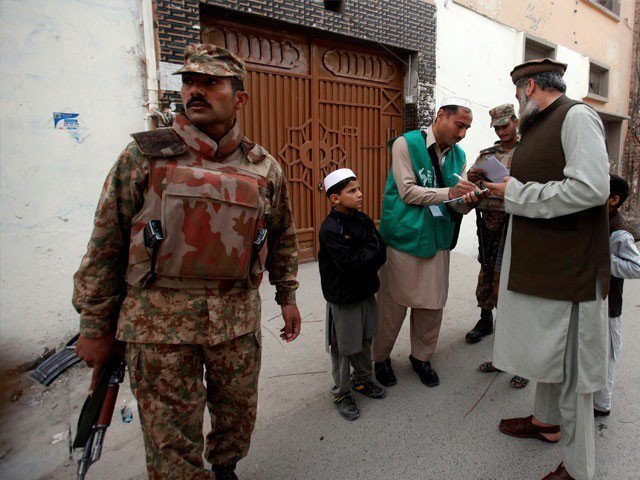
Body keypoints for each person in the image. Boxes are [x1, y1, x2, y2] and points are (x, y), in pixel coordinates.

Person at [73, 44, 301, 480]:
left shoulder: (264, 167)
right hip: (158, 327)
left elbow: (282, 236)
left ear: (239, 98)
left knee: (237, 418)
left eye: (210, 82)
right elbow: (105, 244)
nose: (195, 90)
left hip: (235, 323)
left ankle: (226, 467)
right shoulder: (144, 156)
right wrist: (94, 327)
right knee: (170, 439)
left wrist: (287, 295)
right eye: (188, 81)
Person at [485, 58, 610, 480]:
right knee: (548, 355)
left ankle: (579, 470)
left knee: (574, 374)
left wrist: (516, 192)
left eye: (519, 94)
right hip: (543, 265)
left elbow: (592, 188)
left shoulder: (577, 117)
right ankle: (546, 423)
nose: (518, 104)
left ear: (531, 86)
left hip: (570, 271)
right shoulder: (540, 124)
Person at [372, 97, 485, 388]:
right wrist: (450, 193)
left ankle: (421, 357)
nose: (462, 134)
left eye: (468, 128)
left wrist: (467, 201)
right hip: (404, 236)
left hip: (437, 237)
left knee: (432, 304)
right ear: (440, 117)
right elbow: (408, 192)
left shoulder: (459, 156)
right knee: (391, 305)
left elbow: (454, 203)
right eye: (460, 125)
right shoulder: (405, 144)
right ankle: (380, 358)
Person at [465, 104, 529, 389]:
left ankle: (522, 355)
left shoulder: (528, 150)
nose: (502, 132)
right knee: (488, 270)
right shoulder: (487, 154)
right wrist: (473, 179)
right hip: (488, 218)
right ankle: (486, 318)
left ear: (515, 121)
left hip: (516, 221)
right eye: (497, 128)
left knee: (513, 283)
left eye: (505, 126)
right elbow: (471, 179)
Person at [318, 168, 387, 421]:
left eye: (358, 189)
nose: (360, 194)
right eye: (352, 191)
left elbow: (381, 250)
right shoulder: (329, 230)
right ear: (335, 198)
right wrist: (366, 254)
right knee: (344, 347)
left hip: (366, 292)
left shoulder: (363, 219)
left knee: (365, 339)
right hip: (344, 297)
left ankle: (362, 381)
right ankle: (342, 392)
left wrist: (364, 255)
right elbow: (349, 264)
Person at [593, 174, 640, 417]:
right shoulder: (595, 219)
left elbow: (636, 267)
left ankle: (602, 404)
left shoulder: (620, 233)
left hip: (610, 305)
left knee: (608, 355)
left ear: (613, 199)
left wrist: (603, 260)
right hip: (590, 301)